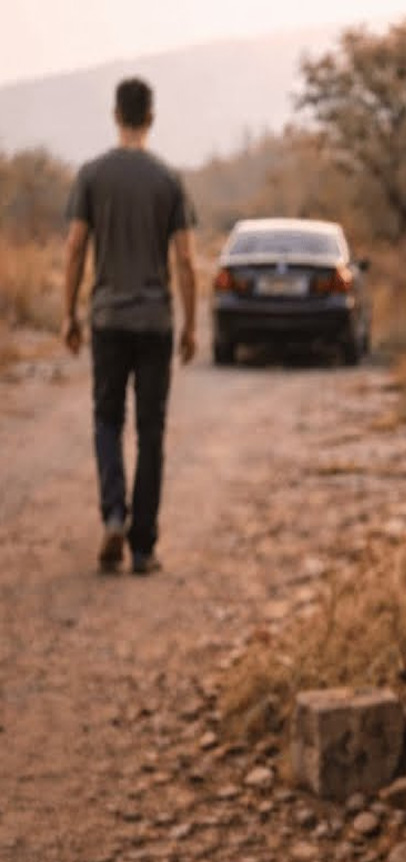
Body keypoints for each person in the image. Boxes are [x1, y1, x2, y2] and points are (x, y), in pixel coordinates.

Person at [61, 76, 197, 574]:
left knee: (106, 421)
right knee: (152, 430)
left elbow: (75, 246)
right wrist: (189, 325)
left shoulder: (93, 175)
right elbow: (185, 260)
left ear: (116, 116)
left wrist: (69, 314)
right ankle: (142, 547)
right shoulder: (168, 180)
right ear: (151, 118)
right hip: (156, 322)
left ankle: (113, 513)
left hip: (109, 320)